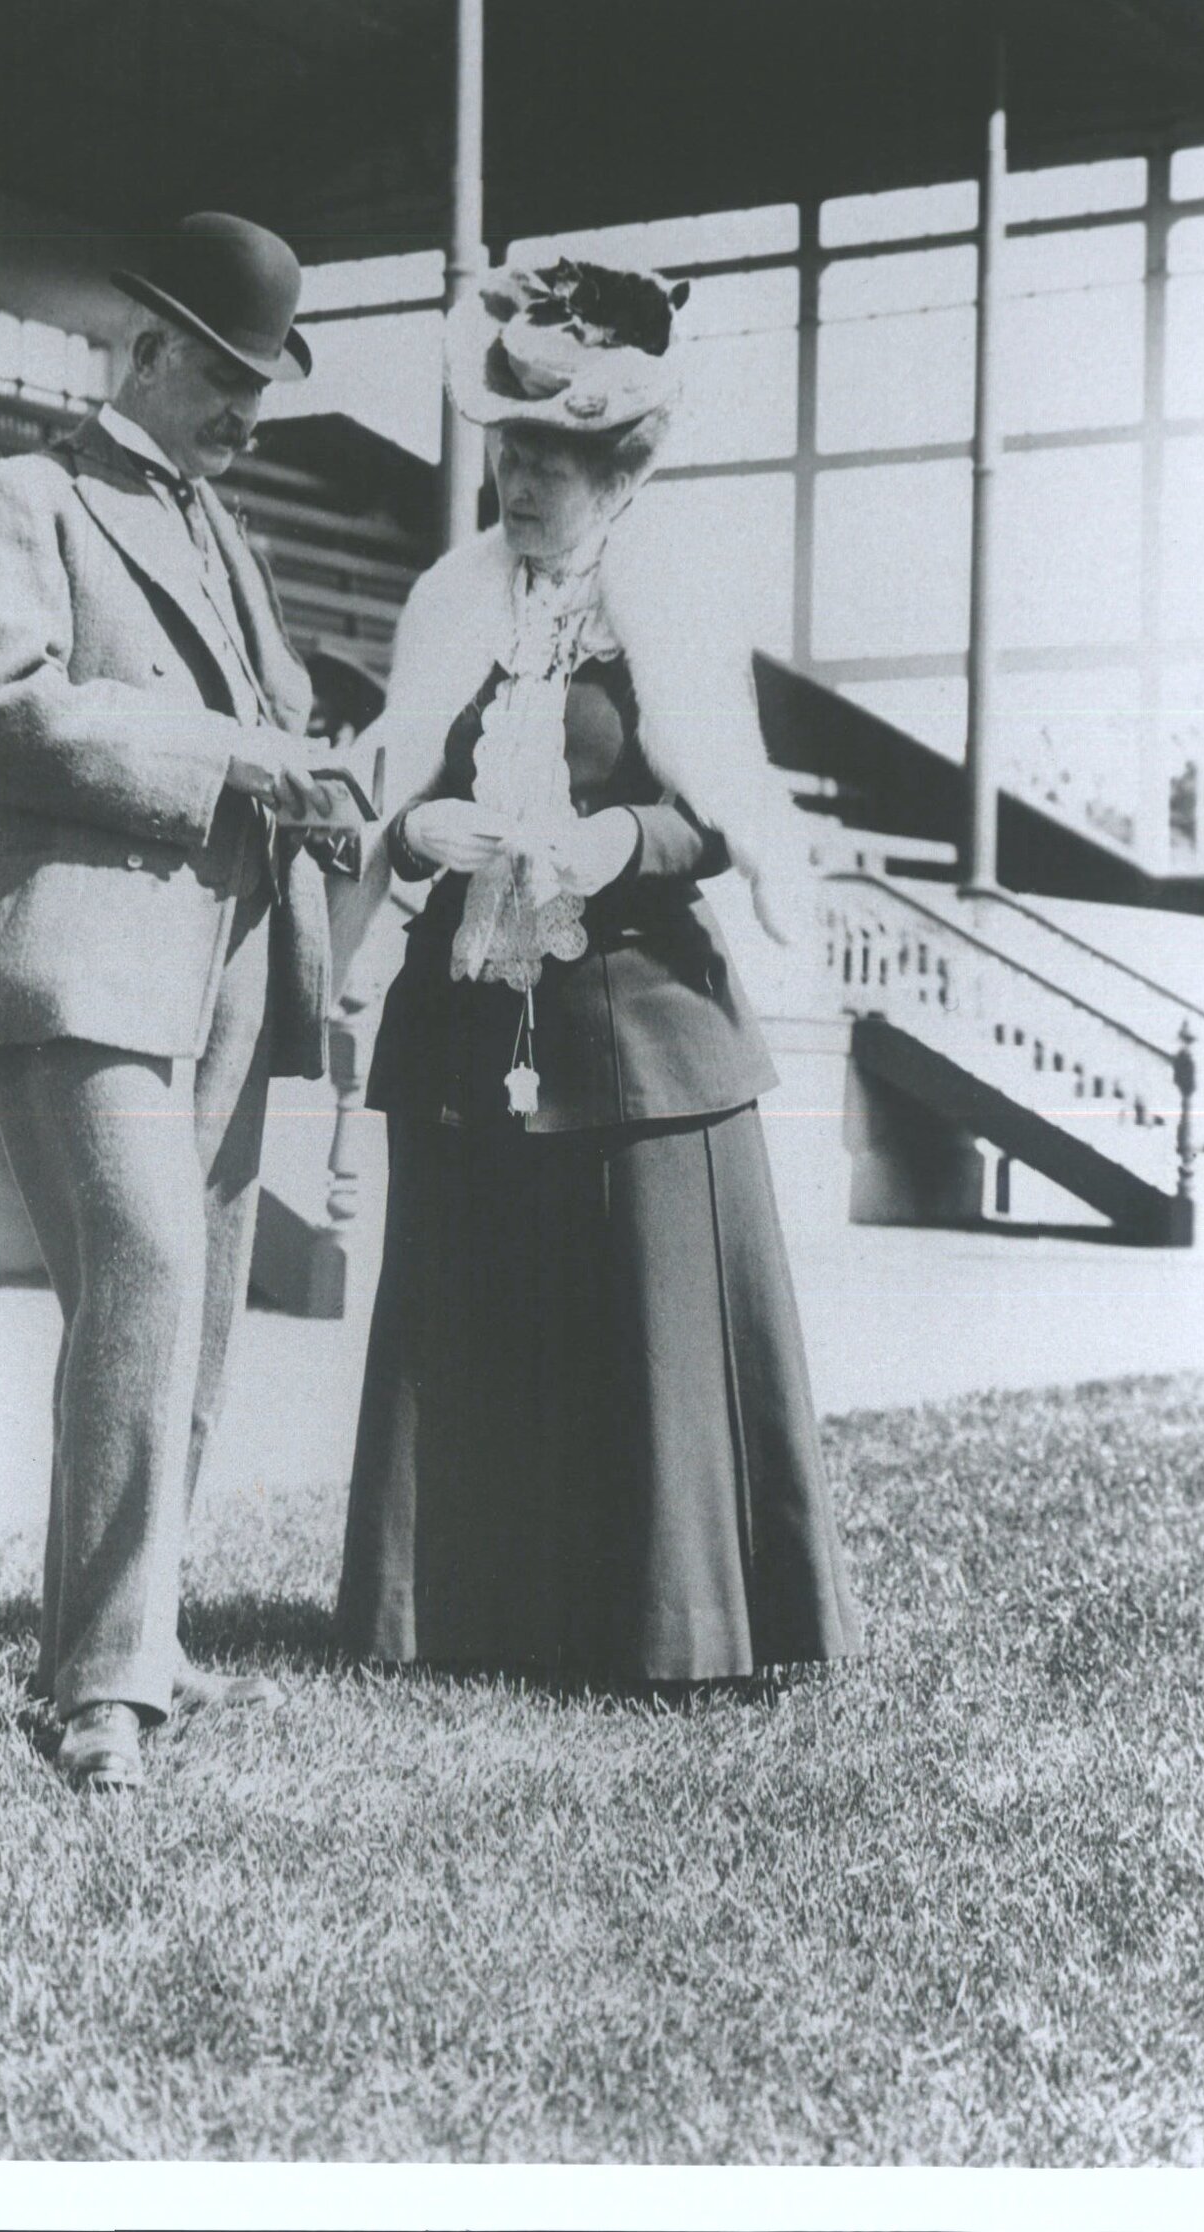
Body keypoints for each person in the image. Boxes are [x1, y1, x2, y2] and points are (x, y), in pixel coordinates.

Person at [333, 258, 863, 1689]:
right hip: (466, 1023)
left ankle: (669, 1621)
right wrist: (415, 828)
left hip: (633, 1021)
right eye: (508, 453)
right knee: (474, 1307)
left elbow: (718, 811)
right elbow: (394, 782)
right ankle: (462, 1612)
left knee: (644, 1324)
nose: (522, 483)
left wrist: (618, 836)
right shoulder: (452, 600)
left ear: (619, 465)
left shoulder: (671, 593)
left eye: (554, 459)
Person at [0, 212, 348, 1795]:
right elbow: (5, 707)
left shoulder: (221, 526)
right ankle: (100, 1687)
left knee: (205, 1308)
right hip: (80, 954)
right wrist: (238, 759)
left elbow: (269, 721)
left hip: (232, 964)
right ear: (150, 350)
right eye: (229, 377)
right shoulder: (23, 497)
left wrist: (321, 785)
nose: (248, 415)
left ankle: (140, 1634)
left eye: (267, 387)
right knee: (150, 1275)